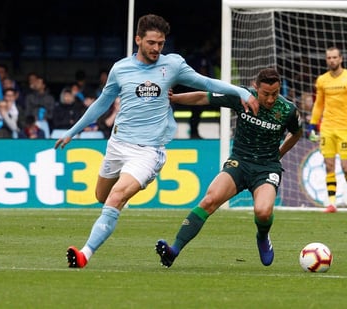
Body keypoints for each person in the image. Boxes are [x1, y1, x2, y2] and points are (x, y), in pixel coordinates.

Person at [54, 14, 259, 269]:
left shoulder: (172, 65)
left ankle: (84, 253)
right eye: (151, 42)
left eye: (161, 43)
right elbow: (102, 104)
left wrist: (239, 91)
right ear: (138, 39)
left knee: (116, 197)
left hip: (148, 151)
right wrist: (73, 131)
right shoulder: (120, 69)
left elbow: (206, 83)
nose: (156, 48)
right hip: (117, 145)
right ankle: (126, 192)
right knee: (102, 195)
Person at [155, 68, 303, 268]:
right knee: (209, 200)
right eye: (266, 94)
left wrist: (279, 153)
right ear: (255, 88)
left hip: (267, 167)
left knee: (263, 212)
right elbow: (203, 98)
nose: (270, 99)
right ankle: (174, 251)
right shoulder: (241, 97)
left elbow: (296, 133)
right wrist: (174, 99)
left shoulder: (288, 110)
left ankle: (262, 236)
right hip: (239, 162)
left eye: (275, 94)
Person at [307, 46, 347, 213]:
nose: (331, 60)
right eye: (329, 58)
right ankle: (331, 203)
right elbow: (318, 104)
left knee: (346, 168)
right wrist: (312, 125)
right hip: (327, 128)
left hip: (346, 128)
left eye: (334, 57)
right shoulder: (322, 80)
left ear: (341, 59)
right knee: (329, 165)